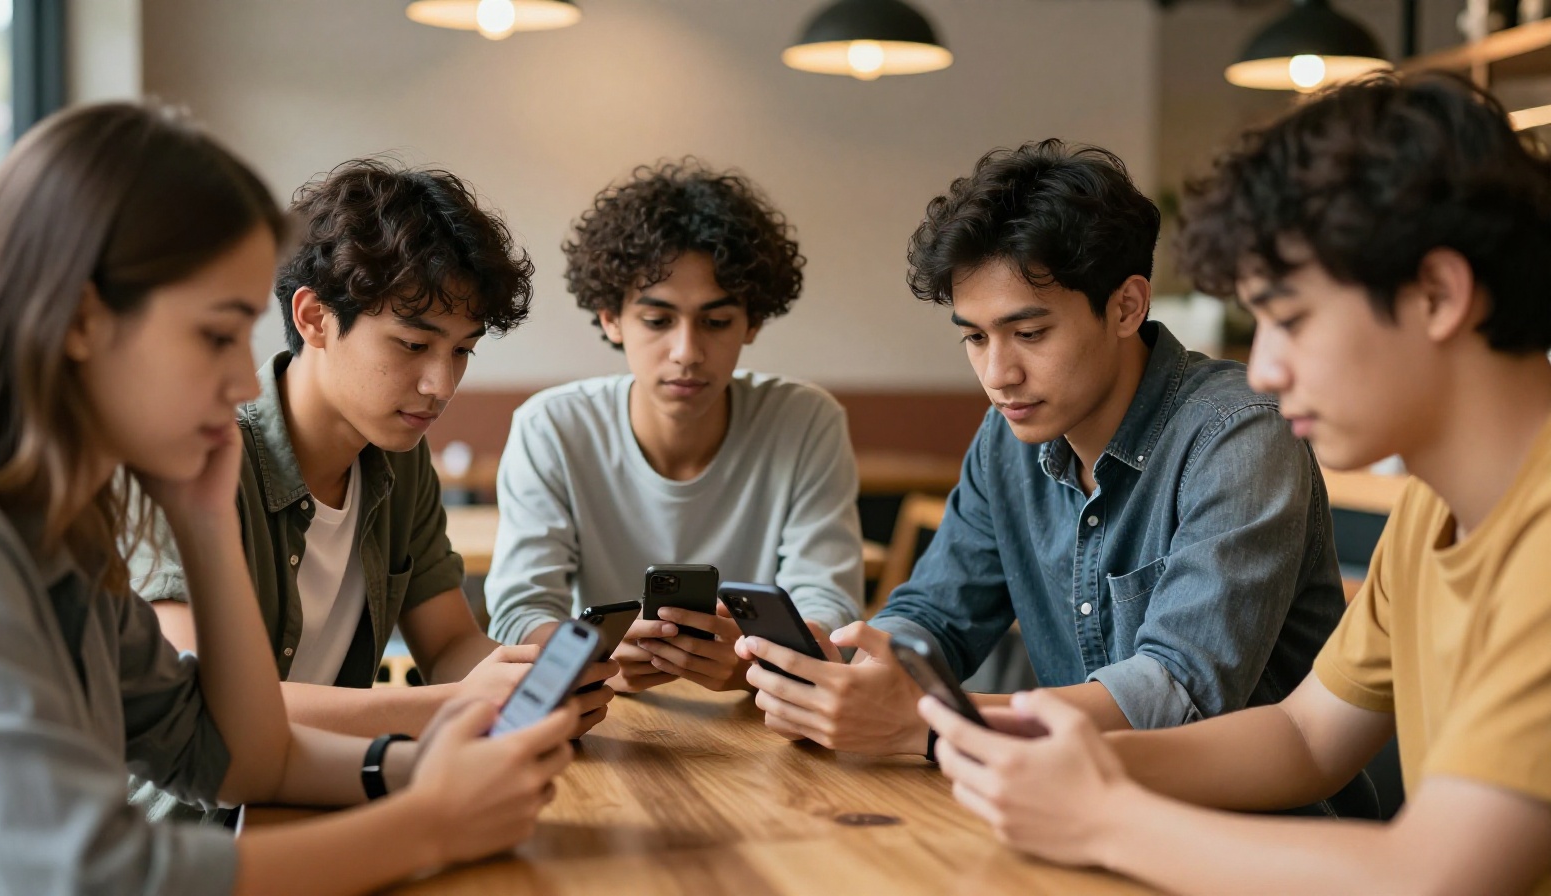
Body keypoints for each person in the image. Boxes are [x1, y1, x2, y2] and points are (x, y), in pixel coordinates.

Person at [917, 73, 1551, 893]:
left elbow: (1427, 877)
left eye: (1291, 319)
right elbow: (1304, 739)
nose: (1265, 367)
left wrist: (1104, 814)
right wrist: (1061, 761)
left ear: (1437, 294)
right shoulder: (1438, 508)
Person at [0, 102, 576, 896]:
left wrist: (205, 524)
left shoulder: (57, 535)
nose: (248, 382)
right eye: (217, 335)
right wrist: (430, 816)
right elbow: (96, 878)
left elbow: (239, 757)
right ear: (81, 319)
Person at [738, 140, 1344, 758]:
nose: (998, 374)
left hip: (1251, 828)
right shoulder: (1007, 437)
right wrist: (861, 671)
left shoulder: (1238, 434)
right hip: (1074, 801)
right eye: (975, 337)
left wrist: (933, 719)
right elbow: (937, 615)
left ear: (1127, 306)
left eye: (1029, 333)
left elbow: (1179, 690)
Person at [129, 160, 613, 762]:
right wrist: (453, 704)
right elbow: (202, 705)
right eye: (413, 345)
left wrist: (531, 680)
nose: (441, 383)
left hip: (324, 789)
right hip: (196, 830)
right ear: (314, 318)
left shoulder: (397, 457)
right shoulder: (197, 463)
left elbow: (449, 646)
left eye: (462, 351)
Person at [486, 160, 864, 693]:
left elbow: (827, 601)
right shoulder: (552, 427)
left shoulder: (806, 421)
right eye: (658, 320)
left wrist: (760, 662)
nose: (687, 352)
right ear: (610, 319)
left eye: (716, 321)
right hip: (599, 713)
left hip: (765, 716)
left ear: (752, 321)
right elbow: (521, 609)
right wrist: (592, 659)